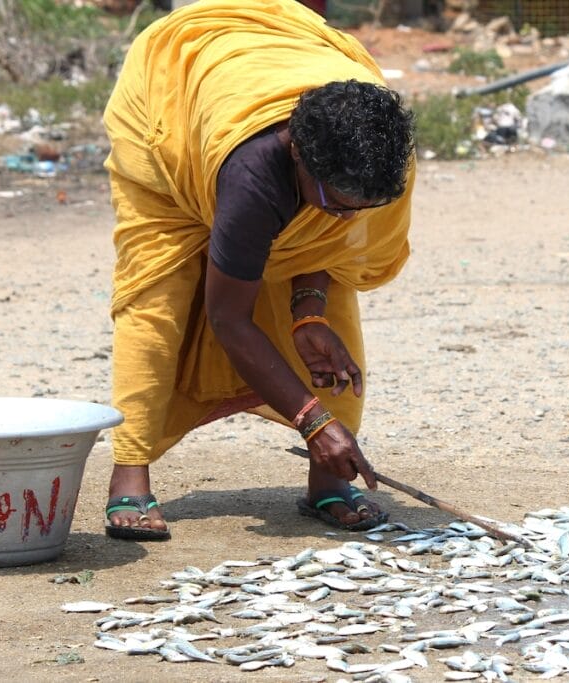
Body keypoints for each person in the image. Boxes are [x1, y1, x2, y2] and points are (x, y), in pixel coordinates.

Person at [101, 0, 416, 541]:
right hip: (167, 109)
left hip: (257, 70)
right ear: (297, 154)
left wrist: (307, 315)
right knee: (158, 298)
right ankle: (129, 470)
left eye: (359, 208)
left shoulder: (380, 160)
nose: (347, 218)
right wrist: (313, 421)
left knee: (333, 326)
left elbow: (328, 246)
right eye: (338, 202)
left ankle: (328, 482)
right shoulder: (253, 178)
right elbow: (229, 317)